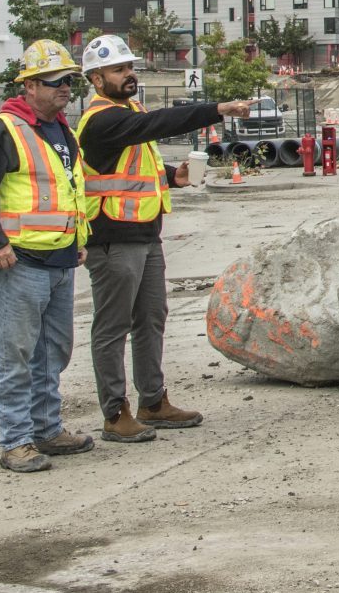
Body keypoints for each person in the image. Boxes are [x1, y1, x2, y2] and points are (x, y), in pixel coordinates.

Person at [73, 34, 252, 443]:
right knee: (113, 326)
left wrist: (173, 176)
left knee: (151, 320)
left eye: (130, 67)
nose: (129, 74)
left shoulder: (126, 111)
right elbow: (156, 124)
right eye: (119, 70)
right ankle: (115, 413)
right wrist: (218, 109)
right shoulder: (102, 119)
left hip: (144, 235)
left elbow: (135, 164)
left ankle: (153, 402)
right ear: (97, 79)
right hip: (112, 238)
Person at [0, 40, 95, 474]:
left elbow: (68, 192)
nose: (65, 89)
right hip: (21, 263)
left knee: (53, 351)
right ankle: (16, 440)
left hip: (60, 260)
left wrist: (77, 238)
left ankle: (47, 429)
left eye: (69, 81)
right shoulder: (5, 129)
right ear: (30, 85)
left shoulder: (61, 132)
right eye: (56, 82)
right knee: (16, 354)